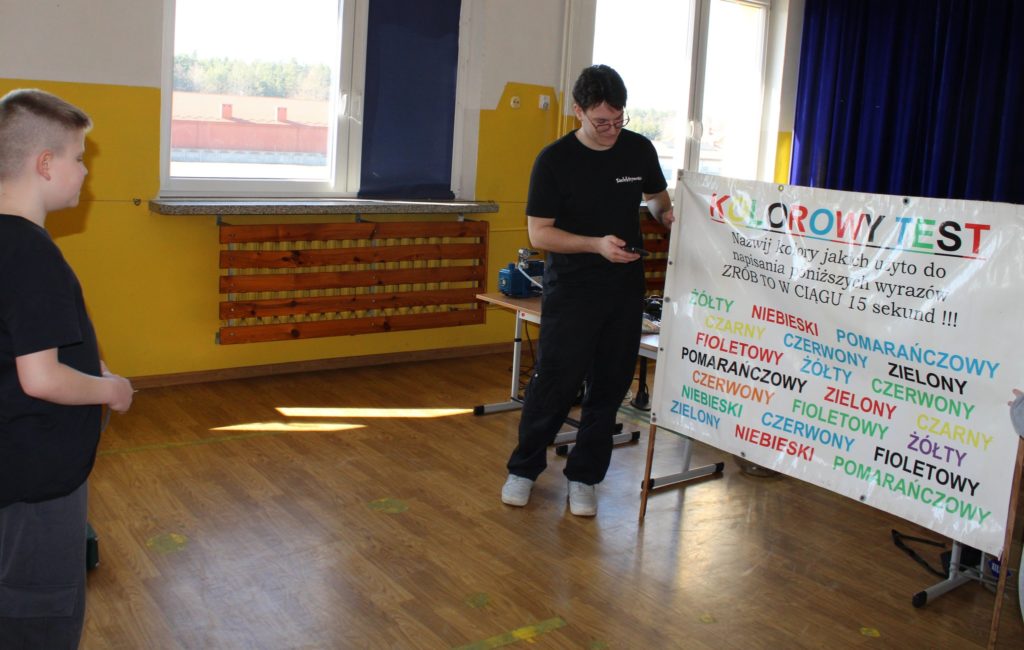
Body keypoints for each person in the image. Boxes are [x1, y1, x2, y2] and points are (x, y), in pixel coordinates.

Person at [501, 65, 675, 516]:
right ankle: (523, 469)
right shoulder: (555, 160)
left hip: (624, 289)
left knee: (610, 384)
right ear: (577, 111)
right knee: (555, 382)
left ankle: (585, 477)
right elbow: (540, 233)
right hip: (573, 289)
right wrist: (595, 245)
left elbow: (657, 198)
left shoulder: (638, 149)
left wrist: (668, 216)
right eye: (601, 122)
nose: (612, 130)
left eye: (619, 120)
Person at [0, 88, 134, 649]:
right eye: (79, 158)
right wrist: (111, 389)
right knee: (38, 614)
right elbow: (41, 377)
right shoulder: (32, 253)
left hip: (12, 466)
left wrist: (90, 360)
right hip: (38, 479)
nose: (85, 172)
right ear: (45, 164)